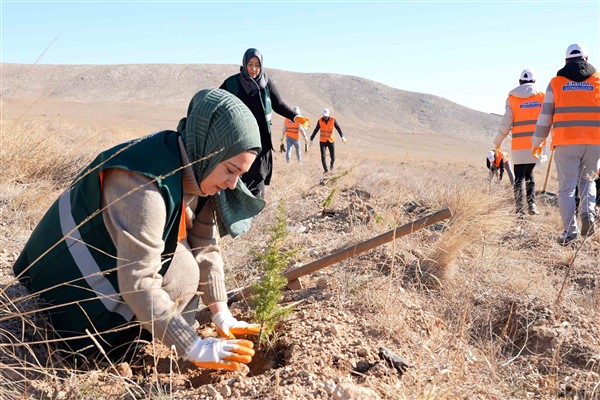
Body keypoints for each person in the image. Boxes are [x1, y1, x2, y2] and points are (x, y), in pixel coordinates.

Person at [13, 89, 264, 370]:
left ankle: (147, 330)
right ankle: (111, 349)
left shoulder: (200, 165)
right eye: (230, 170)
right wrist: (190, 344)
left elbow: (206, 243)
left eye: (240, 174)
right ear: (210, 146)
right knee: (181, 275)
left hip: (113, 262)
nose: (232, 184)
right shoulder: (143, 184)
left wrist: (222, 314)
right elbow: (137, 280)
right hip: (59, 284)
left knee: (185, 269)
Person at [532, 43, 600, 245]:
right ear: (586, 59)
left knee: (567, 189)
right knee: (588, 181)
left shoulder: (556, 83)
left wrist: (537, 141)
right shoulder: (598, 80)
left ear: (565, 61)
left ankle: (570, 233)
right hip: (594, 141)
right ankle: (588, 212)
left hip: (566, 142)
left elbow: (545, 117)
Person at [220, 48, 310, 199]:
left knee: (258, 179)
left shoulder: (266, 84)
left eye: (257, 65)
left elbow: (279, 105)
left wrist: (296, 117)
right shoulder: (233, 83)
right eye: (250, 64)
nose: (254, 69)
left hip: (261, 142)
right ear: (244, 64)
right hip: (239, 141)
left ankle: (254, 213)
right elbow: (219, 100)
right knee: (238, 177)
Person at [494, 68, 545, 215]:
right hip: (536, 145)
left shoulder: (512, 98)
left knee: (519, 177)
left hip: (518, 145)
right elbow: (549, 118)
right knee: (529, 173)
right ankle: (532, 205)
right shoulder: (542, 96)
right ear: (534, 81)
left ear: (519, 81)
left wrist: (498, 141)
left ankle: (520, 210)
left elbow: (506, 123)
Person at [310, 108, 347, 174]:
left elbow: (338, 128)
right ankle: (326, 170)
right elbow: (316, 130)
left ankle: (331, 166)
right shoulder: (320, 121)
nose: (325, 117)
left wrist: (342, 136)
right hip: (322, 141)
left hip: (331, 141)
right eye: (324, 115)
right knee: (323, 156)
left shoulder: (333, 120)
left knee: (333, 157)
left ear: (328, 115)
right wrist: (311, 139)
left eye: (326, 116)